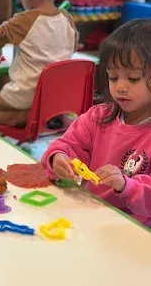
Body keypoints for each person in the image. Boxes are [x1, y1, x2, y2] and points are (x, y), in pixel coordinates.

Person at [42, 19, 151, 226]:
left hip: (133, 228)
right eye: (113, 77)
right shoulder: (97, 118)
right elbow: (65, 145)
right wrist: (59, 158)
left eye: (133, 78)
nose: (120, 87)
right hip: (90, 214)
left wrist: (125, 186)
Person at [0, 0, 78, 127]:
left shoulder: (23, 20)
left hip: (28, 95)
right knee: (41, 101)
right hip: (58, 97)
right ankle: (50, 117)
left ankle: (32, 118)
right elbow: (73, 46)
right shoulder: (67, 18)